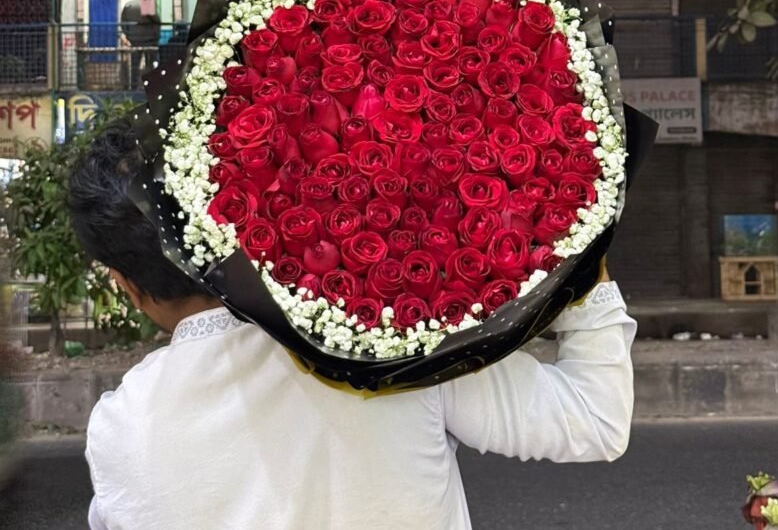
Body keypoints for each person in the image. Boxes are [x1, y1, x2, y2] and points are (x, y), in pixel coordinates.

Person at [68, 118, 636, 530]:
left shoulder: (121, 429)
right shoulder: (379, 339)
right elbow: (594, 419)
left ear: (128, 286)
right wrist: (576, 246)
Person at [120, 0, 161, 89]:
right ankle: (151, 85)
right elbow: (157, 21)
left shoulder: (128, 5)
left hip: (134, 39)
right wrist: (156, 34)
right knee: (150, 63)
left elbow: (123, 23)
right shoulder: (148, 5)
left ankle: (133, 86)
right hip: (149, 40)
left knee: (134, 64)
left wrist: (128, 35)